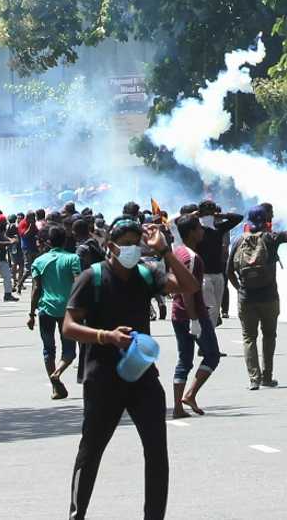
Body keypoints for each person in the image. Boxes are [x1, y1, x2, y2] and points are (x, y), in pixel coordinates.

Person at [62, 217, 198, 520]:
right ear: (110, 246)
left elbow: (190, 286)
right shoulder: (92, 277)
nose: (132, 251)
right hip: (102, 380)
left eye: (136, 245)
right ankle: (76, 514)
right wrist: (105, 337)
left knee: (156, 453)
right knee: (91, 452)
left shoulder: (146, 274)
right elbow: (68, 326)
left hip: (142, 377)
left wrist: (164, 251)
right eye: (125, 245)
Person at [228, 206, 287, 390]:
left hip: (246, 298)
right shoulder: (271, 238)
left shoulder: (238, 240)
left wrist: (240, 289)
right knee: (269, 336)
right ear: (266, 221)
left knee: (249, 338)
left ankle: (254, 378)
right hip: (269, 296)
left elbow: (229, 272)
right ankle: (267, 377)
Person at [170, 214, 221, 419]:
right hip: (191, 314)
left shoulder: (178, 252)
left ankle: (179, 406)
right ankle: (189, 395)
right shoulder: (191, 257)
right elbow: (187, 291)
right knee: (212, 355)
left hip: (180, 313)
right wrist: (194, 319)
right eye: (199, 228)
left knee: (185, 360)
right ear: (191, 232)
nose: (203, 231)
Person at [28, 223, 81, 400]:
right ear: (65, 240)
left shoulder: (39, 261)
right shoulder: (73, 259)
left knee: (48, 349)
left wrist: (31, 314)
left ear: (48, 242)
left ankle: (56, 387)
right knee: (70, 351)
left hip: (45, 309)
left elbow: (36, 289)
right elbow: (78, 282)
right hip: (68, 310)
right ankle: (58, 372)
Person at [195, 200, 242, 326]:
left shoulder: (219, 228)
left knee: (215, 313)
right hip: (203, 275)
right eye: (206, 210)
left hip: (218, 274)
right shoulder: (196, 228)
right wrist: (195, 215)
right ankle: (206, 339)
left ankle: (207, 338)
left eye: (212, 210)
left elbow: (239, 218)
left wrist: (220, 215)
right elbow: (175, 222)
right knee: (210, 308)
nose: (209, 213)